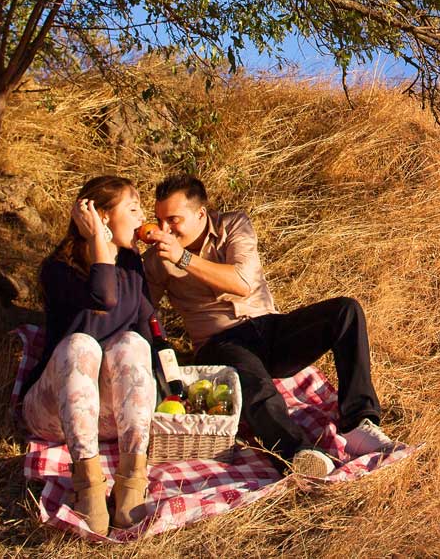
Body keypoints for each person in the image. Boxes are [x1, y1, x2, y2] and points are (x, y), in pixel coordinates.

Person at [142, 173, 395, 478]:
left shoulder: (233, 225)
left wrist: (183, 259)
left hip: (269, 327)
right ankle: (299, 453)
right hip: (220, 342)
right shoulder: (157, 260)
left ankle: (358, 423)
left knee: (346, 311)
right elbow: (142, 309)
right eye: (159, 220)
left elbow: (242, 283)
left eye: (173, 219)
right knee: (257, 388)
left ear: (200, 214)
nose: (164, 229)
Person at [24, 174, 158, 534]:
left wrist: (172, 385)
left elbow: (149, 325)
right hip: (54, 415)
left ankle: (132, 480)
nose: (142, 216)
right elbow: (104, 298)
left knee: (132, 343)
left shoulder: (132, 264)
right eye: (133, 208)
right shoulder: (58, 269)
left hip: (108, 416)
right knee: (81, 344)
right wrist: (99, 239)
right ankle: (89, 487)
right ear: (100, 215)